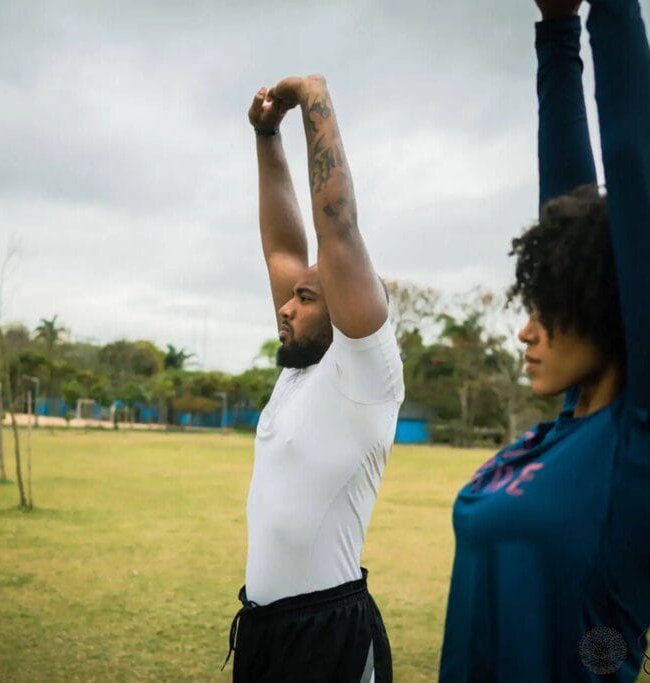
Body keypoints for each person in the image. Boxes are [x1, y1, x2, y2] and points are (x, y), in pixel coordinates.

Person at [437, 1, 650, 680]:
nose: (525, 328)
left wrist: (606, 10)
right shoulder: (558, 432)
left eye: (552, 309)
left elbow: (635, 176)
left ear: (613, 306)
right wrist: (555, 30)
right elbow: (567, 213)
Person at [222, 74, 404, 682]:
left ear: (346, 307)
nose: (285, 304)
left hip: (329, 636)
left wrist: (313, 98)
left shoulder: (364, 375)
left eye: (305, 297)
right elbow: (281, 249)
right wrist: (266, 134)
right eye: (292, 297)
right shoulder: (300, 369)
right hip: (264, 628)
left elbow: (338, 227)